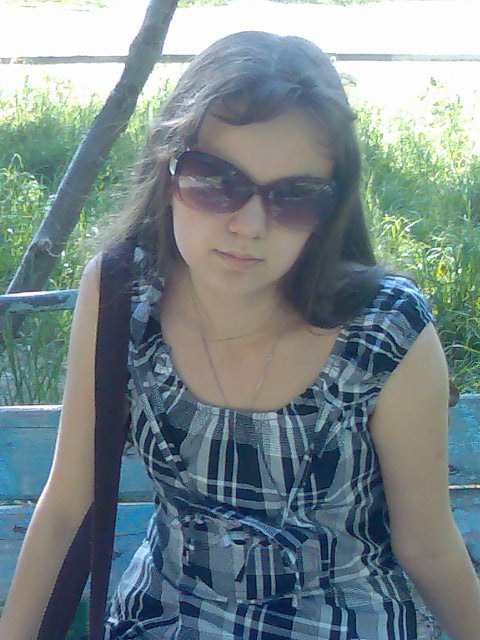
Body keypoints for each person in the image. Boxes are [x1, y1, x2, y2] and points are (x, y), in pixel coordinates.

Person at [1, 30, 479, 640]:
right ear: (168, 171)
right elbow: (67, 504)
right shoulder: (123, 293)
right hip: (166, 621)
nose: (250, 224)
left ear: (331, 208)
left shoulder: (383, 329)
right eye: (216, 180)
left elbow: (428, 546)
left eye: (295, 196)